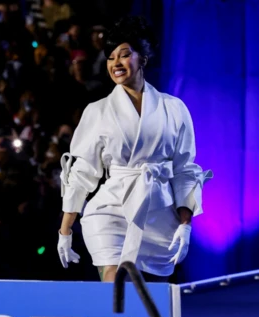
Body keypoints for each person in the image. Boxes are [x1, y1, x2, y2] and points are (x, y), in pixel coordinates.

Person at [56, 16, 212, 283]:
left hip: (160, 215)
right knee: (115, 284)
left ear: (143, 59)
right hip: (110, 211)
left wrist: (185, 225)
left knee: (150, 300)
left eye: (124, 54)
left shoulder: (174, 109)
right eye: (110, 57)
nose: (116, 63)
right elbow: (82, 173)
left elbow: (184, 170)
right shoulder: (97, 111)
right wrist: (65, 231)